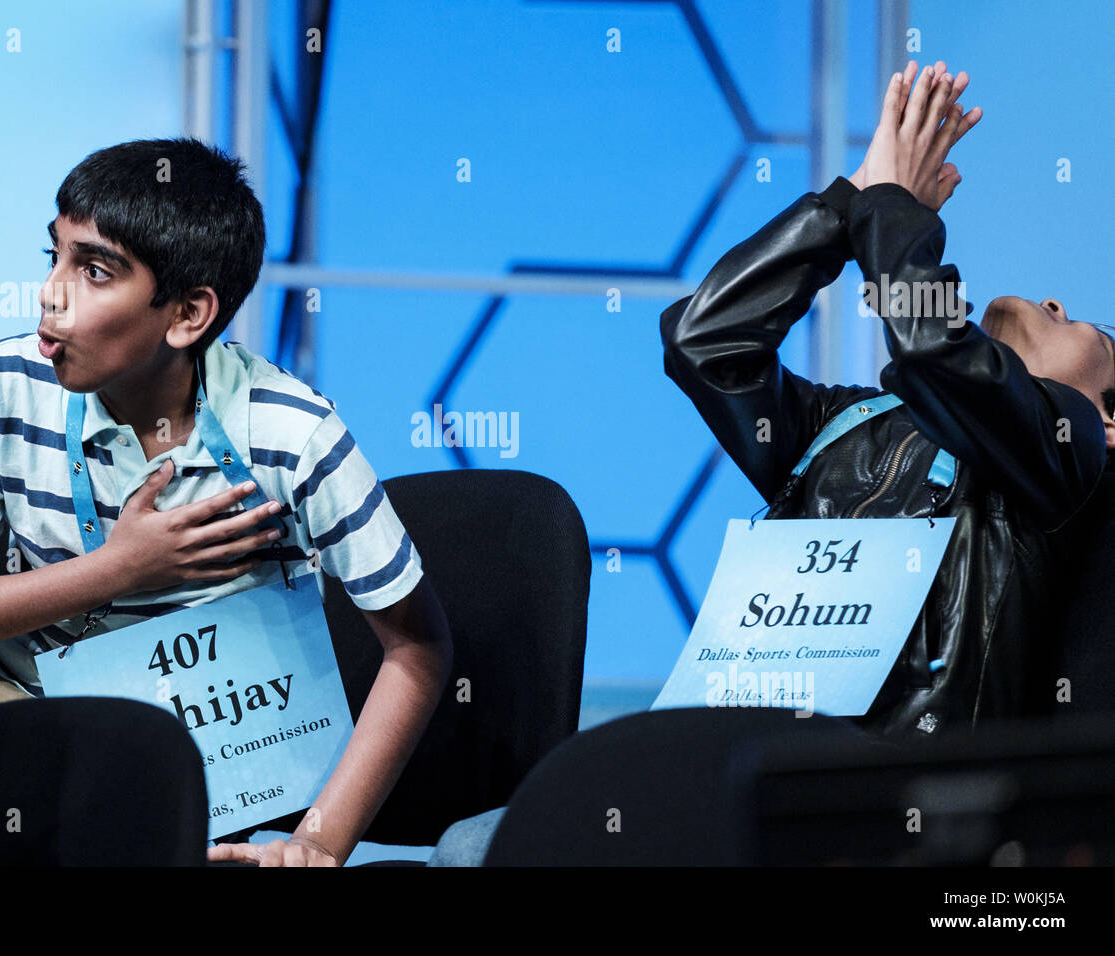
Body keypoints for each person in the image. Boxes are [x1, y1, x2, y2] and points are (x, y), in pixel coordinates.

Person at [429, 58, 1114, 864]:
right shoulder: (851, 421)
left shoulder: (1062, 460)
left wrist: (893, 209)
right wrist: (846, 203)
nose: (1060, 304)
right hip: (737, 752)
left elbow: (931, 345)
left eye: (1095, 333)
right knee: (472, 845)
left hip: (870, 808)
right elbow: (703, 341)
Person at [0, 137, 452, 868]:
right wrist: (118, 569)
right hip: (5, 691)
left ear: (187, 314)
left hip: (203, 735)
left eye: (93, 270)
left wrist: (319, 841)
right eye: (52, 256)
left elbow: (419, 649)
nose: (51, 293)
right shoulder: (4, 384)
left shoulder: (292, 435)